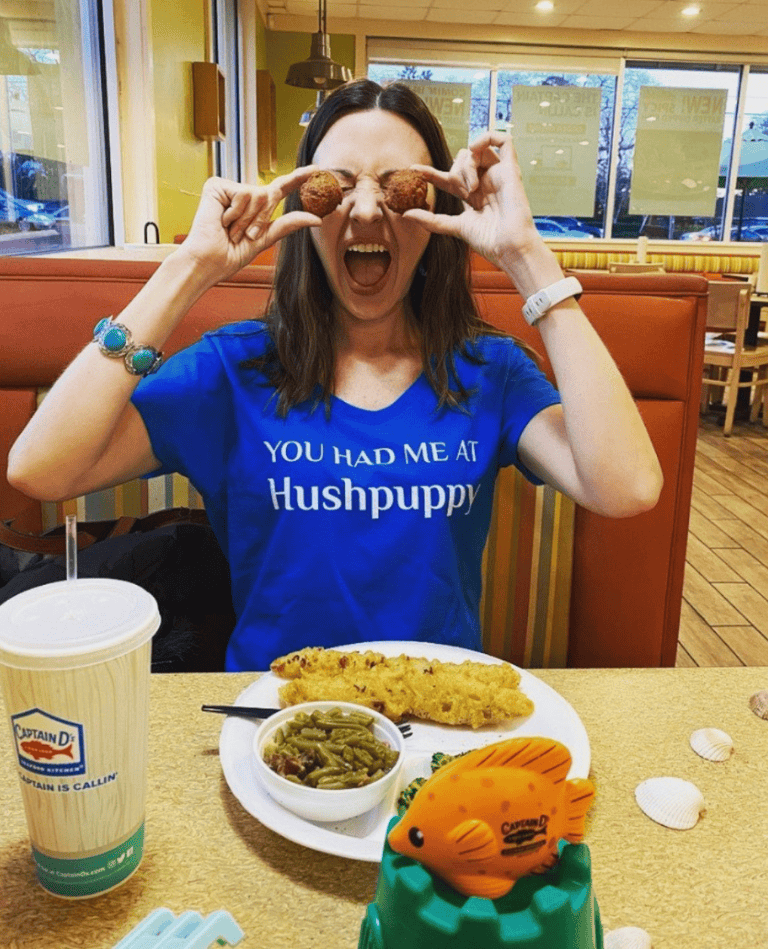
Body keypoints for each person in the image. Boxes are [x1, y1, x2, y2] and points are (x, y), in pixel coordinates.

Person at [7, 79, 663, 670]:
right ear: (303, 207)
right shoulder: (233, 371)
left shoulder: (489, 372)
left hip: (437, 717)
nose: (370, 209)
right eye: (339, 184)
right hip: (274, 720)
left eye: (396, 184)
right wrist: (191, 268)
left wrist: (525, 254)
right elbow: (42, 469)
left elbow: (628, 487)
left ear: (434, 211)